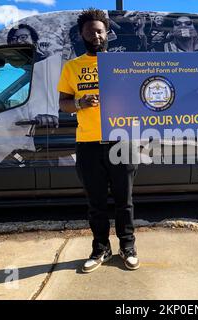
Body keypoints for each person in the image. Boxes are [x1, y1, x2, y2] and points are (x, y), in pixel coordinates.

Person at [57, 8, 140, 273]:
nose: (96, 35)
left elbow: (149, 93)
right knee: (96, 203)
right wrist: (79, 103)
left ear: (107, 34)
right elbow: (63, 104)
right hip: (89, 143)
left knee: (124, 200)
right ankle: (100, 248)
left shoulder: (124, 65)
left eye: (100, 30)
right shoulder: (72, 67)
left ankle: (128, 247)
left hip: (121, 140)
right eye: (91, 30)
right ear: (82, 34)